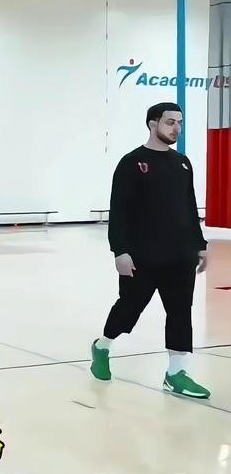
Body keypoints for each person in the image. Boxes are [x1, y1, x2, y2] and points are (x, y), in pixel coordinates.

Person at [90, 102, 210, 399]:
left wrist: (200, 244)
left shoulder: (182, 163)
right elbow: (119, 210)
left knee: (180, 312)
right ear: (152, 124)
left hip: (180, 254)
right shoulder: (132, 162)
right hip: (142, 255)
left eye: (180, 123)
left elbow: (189, 207)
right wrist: (120, 251)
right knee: (129, 308)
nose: (176, 129)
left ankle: (176, 373)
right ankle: (102, 346)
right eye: (170, 122)